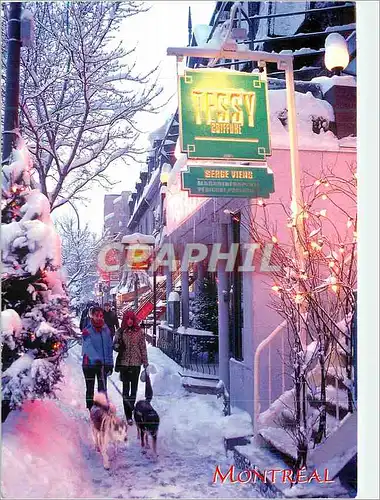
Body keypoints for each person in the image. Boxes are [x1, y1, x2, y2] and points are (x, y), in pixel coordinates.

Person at [113, 310, 148, 425]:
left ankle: (131, 408)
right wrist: (118, 345)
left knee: (133, 390)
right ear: (124, 319)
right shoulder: (120, 331)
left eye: (131, 319)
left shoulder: (139, 332)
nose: (129, 321)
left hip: (136, 364)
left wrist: (145, 362)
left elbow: (143, 347)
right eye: (127, 319)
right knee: (126, 390)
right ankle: (128, 415)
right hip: (124, 364)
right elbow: (114, 345)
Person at [81, 306, 114, 411]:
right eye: (96, 315)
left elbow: (109, 347)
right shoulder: (87, 330)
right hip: (89, 365)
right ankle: (90, 409)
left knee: (102, 389)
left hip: (102, 365)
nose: (99, 317)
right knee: (90, 388)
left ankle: (102, 409)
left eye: (100, 315)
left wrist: (109, 363)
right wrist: (96, 359)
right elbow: (87, 347)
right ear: (92, 316)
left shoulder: (106, 330)